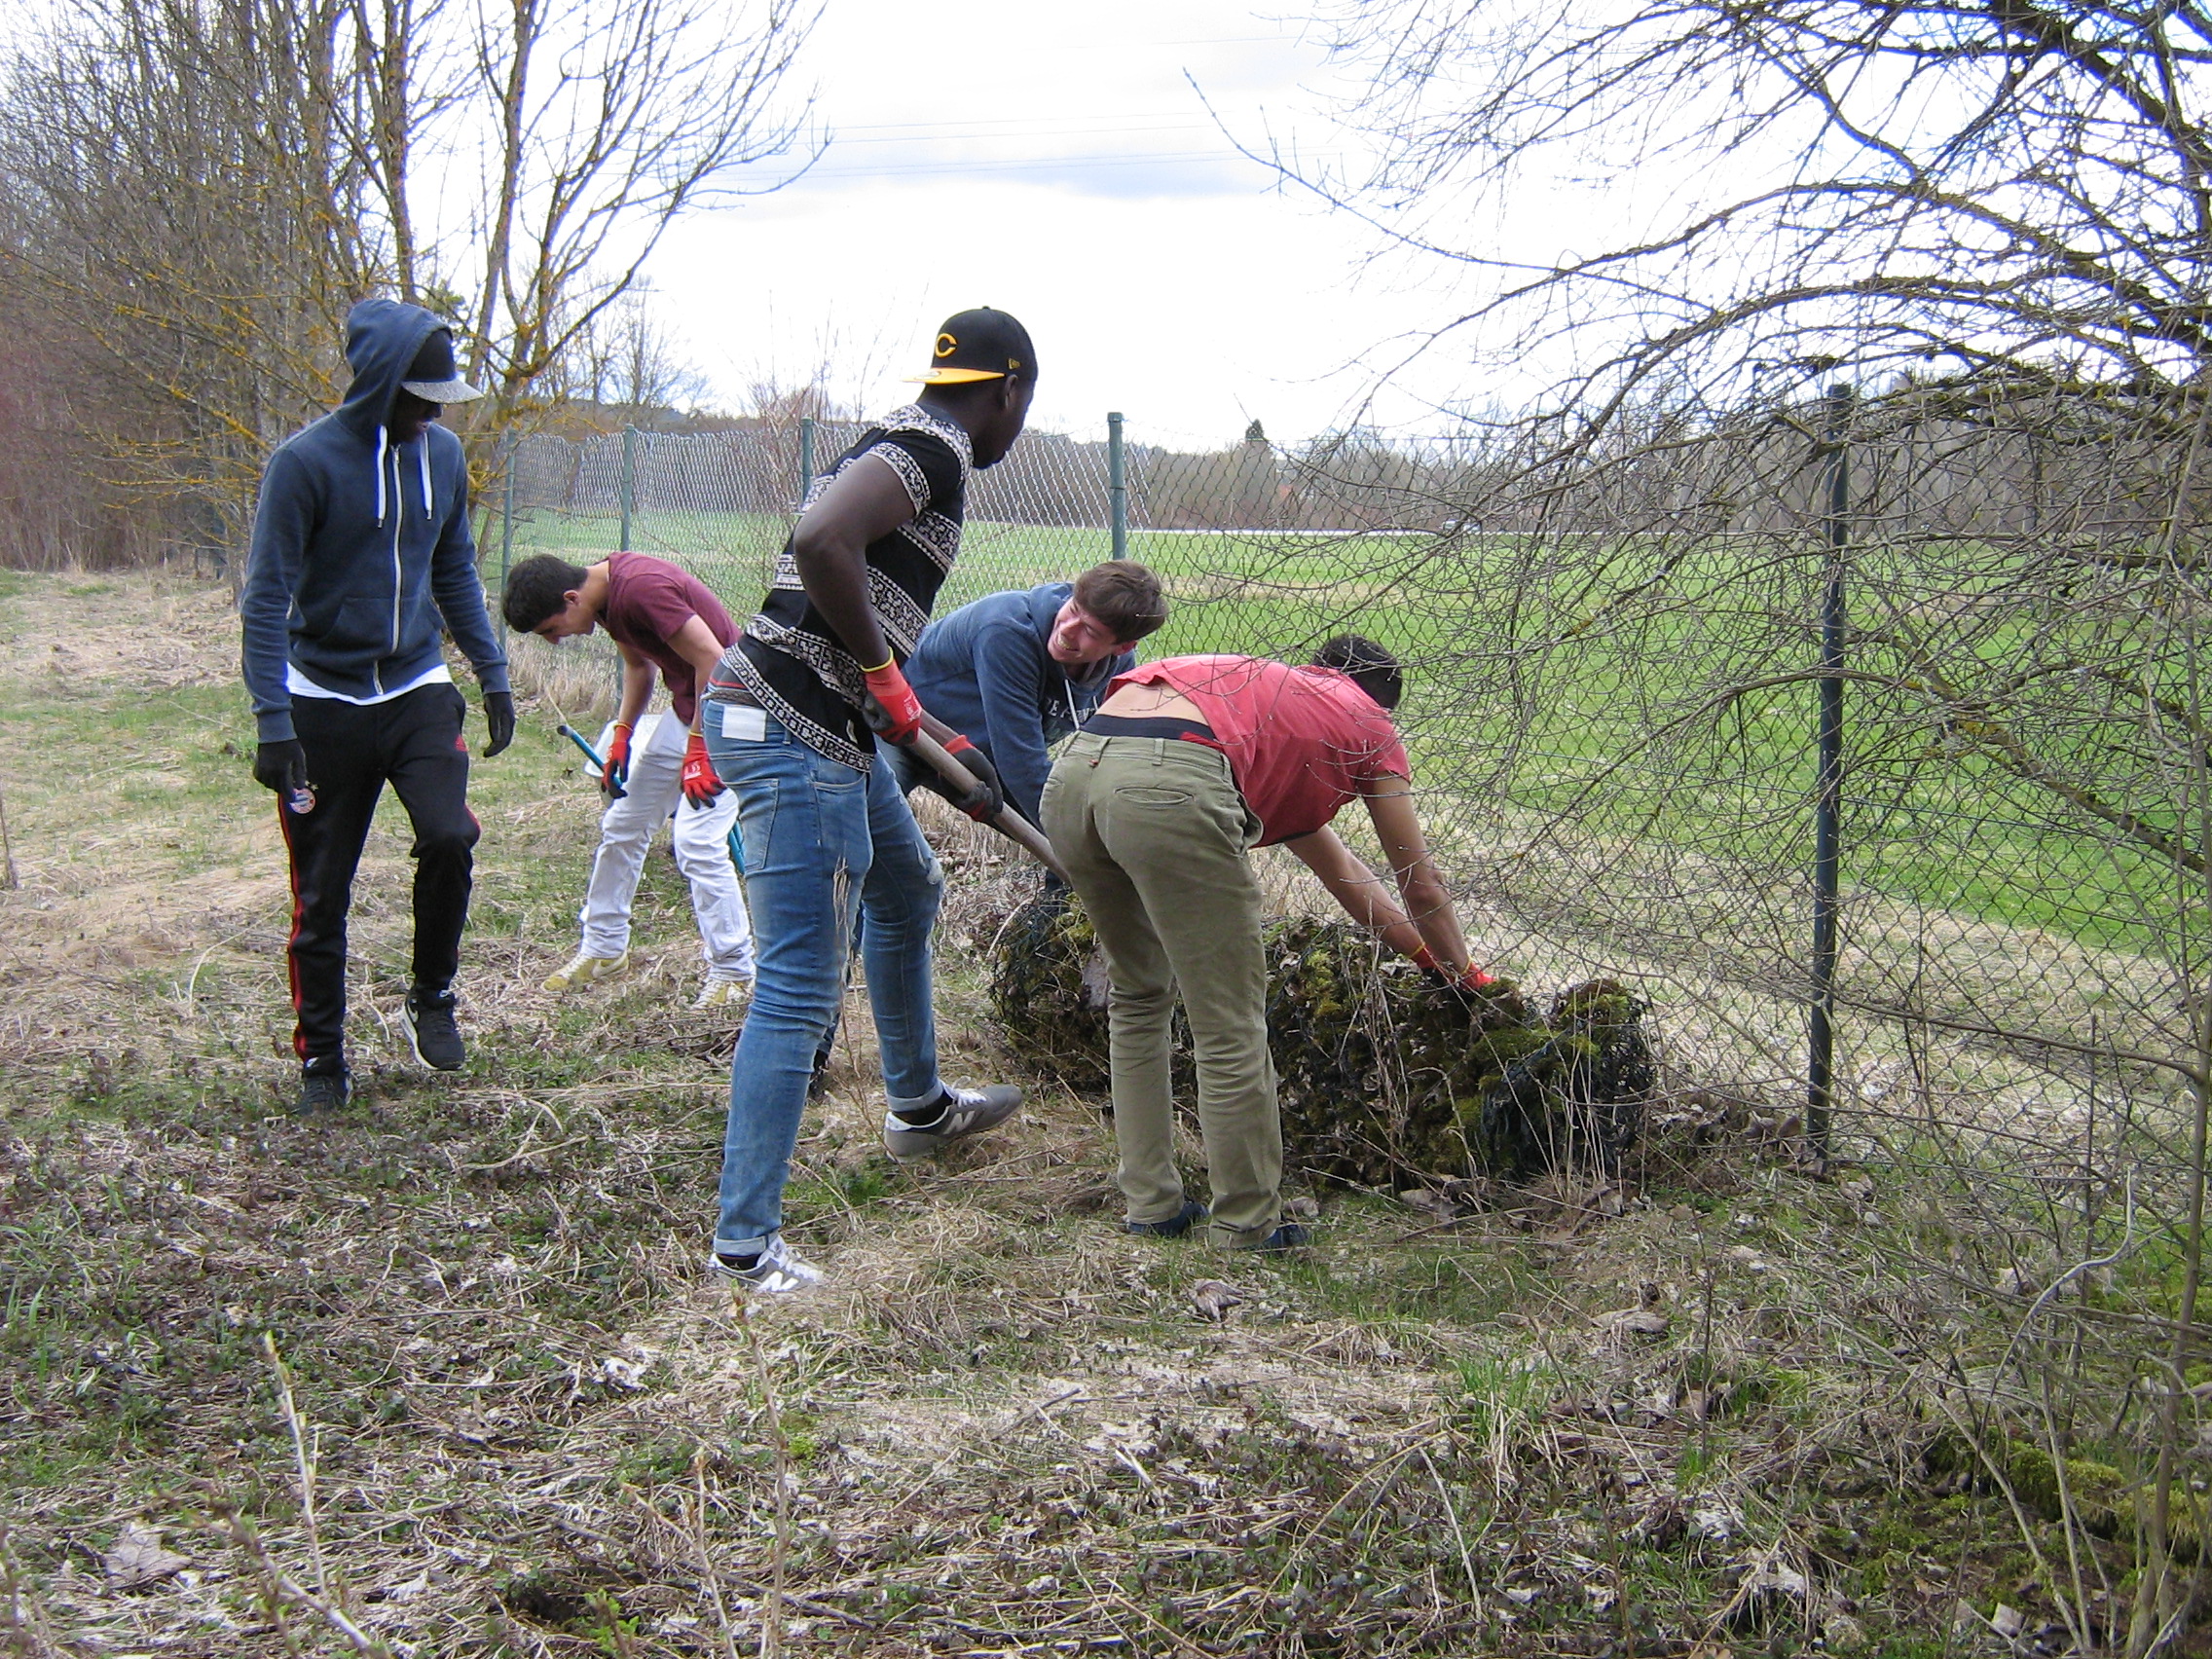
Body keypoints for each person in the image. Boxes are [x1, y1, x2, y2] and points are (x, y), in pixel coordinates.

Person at [698, 308, 1040, 1294]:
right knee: (802, 984)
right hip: (791, 729)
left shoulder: (901, 441)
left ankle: (919, 1109)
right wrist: (883, 673)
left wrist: (901, 710)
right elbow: (819, 540)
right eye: (1023, 406)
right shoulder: (929, 452)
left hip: (821, 726)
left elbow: (842, 567)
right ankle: (743, 1247)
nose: (1016, 427)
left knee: (906, 888)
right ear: (1008, 388)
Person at [1039, 638, 1495, 1251]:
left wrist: (1423, 957)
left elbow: (1349, 879)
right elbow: (1419, 880)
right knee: (1227, 1021)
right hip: (1172, 783)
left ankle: (1150, 1204)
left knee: (1138, 996)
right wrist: (1466, 971)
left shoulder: (1274, 697)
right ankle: (1246, 1223)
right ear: (1383, 701)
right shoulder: (1371, 724)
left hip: (1074, 775)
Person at [239, 299, 514, 1113]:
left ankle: (432, 994)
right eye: (420, 393)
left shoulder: (445, 456)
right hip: (321, 699)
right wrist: (272, 721)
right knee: (322, 890)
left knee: (451, 834)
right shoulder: (305, 465)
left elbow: (455, 569)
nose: (434, 409)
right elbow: (265, 600)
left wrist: (491, 672)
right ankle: (323, 1057)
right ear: (378, 386)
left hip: (415, 686)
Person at [500, 551, 757, 1007]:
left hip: (736, 716)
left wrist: (700, 750)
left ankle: (734, 971)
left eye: (550, 630)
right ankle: (603, 947)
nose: (555, 642)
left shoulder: (640, 590)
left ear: (570, 598)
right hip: (690, 713)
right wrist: (622, 733)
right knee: (622, 825)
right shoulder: (605, 595)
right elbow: (640, 667)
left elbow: (716, 662)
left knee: (697, 842)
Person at [894, 562, 1168, 831]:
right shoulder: (1006, 632)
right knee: (871, 833)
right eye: (1073, 609)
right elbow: (1022, 766)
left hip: (975, 758)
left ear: (1122, 647)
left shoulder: (1117, 668)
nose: (1068, 630)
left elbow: (1109, 759)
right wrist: (1072, 843)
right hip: (899, 727)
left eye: (1090, 631)